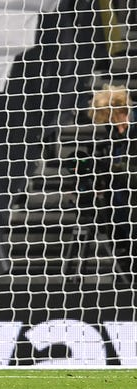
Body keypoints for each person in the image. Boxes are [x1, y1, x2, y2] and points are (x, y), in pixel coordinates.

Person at [86, 84, 137, 276]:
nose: (109, 124)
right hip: (121, 214)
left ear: (120, 111)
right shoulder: (116, 134)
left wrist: (113, 168)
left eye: (110, 118)